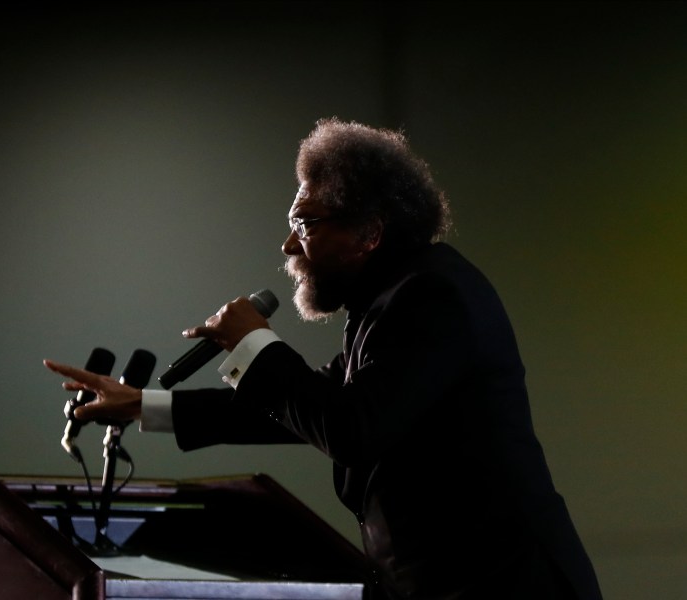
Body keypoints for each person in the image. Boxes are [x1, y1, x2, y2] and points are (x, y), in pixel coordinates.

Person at [44, 117, 603, 600]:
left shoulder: (434, 296)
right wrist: (145, 406)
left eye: (305, 224)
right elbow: (302, 408)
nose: (289, 246)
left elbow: (351, 428)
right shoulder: (389, 303)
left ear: (368, 232)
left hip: (501, 586)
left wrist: (254, 344)